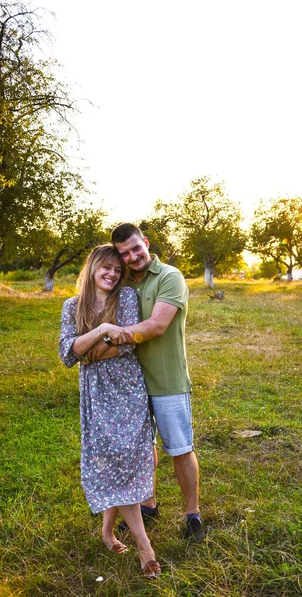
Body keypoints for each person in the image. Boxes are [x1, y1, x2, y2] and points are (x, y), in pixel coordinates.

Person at [91, 223, 206, 542]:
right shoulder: (122, 279)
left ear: (146, 242)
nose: (132, 257)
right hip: (129, 384)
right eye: (124, 253)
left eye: (135, 248)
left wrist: (107, 340)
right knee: (142, 450)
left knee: (180, 448)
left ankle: (192, 514)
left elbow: (156, 326)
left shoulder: (170, 276)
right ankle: (148, 504)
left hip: (167, 379)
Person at [59, 244, 161, 579]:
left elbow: (128, 342)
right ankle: (144, 549)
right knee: (109, 459)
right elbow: (65, 354)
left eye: (117, 270)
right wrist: (103, 331)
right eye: (106, 267)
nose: (112, 274)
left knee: (125, 457)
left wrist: (88, 348)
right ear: (92, 268)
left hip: (128, 388)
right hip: (96, 394)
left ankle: (112, 534)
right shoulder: (72, 306)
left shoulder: (127, 298)